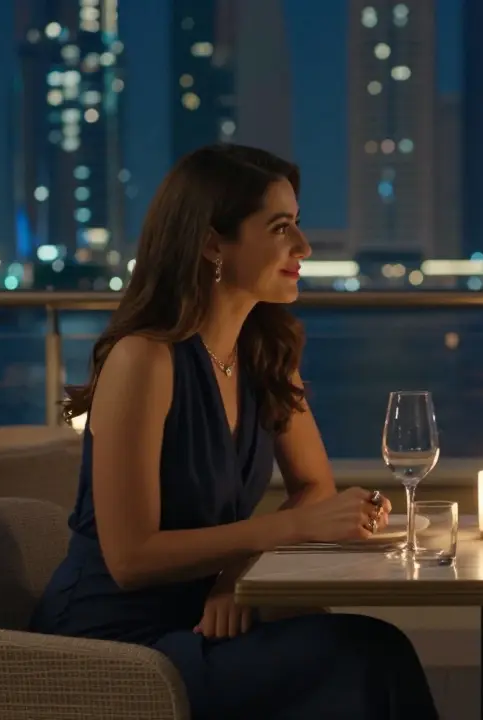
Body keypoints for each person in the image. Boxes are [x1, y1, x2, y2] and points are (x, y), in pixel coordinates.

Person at [29, 144, 439, 720]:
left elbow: (315, 486)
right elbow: (130, 558)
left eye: (297, 224)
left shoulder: (265, 354)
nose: (304, 247)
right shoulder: (144, 360)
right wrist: (288, 528)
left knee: (364, 648)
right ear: (211, 244)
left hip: (202, 617)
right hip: (114, 643)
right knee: (365, 655)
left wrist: (236, 574)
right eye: (280, 228)